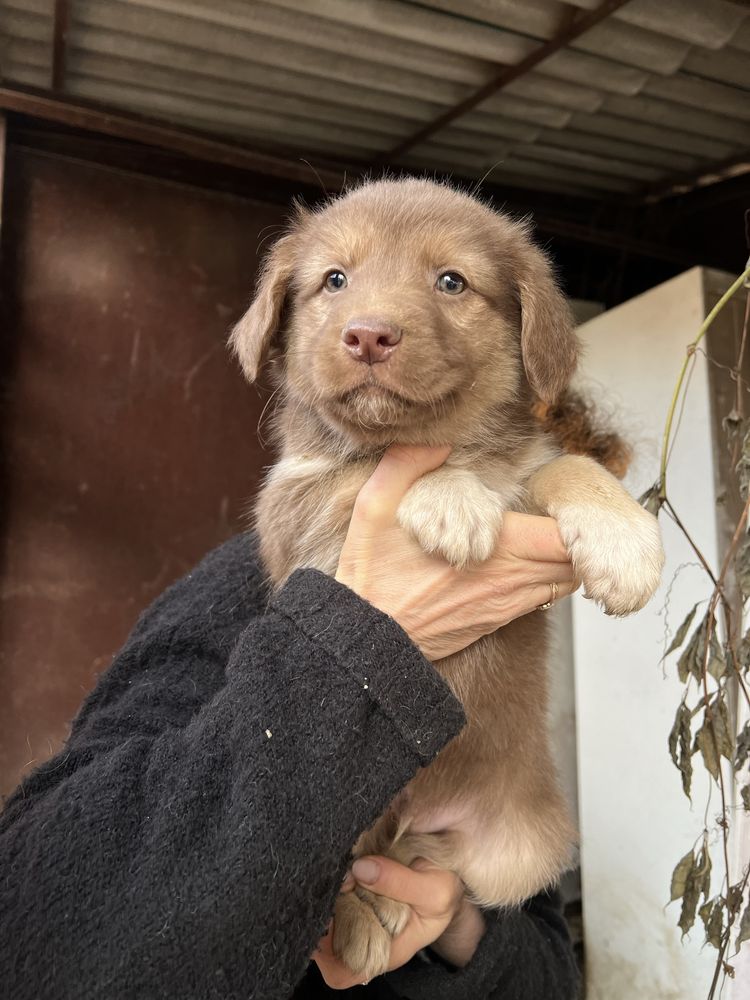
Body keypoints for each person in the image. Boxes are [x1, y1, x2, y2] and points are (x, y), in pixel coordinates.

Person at [0, 445, 580, 999]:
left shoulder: (502, 618)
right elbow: (45, 937)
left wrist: (455, 920)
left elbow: (552, 975)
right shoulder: (233, 595)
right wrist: (354, 645)